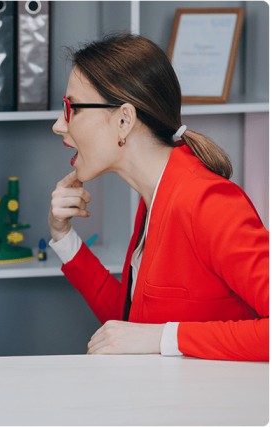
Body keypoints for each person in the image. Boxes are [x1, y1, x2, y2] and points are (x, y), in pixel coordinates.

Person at [48, 34, 268, 361]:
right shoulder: (153, 198)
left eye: (70, 109)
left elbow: (152, 335)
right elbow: (132, 327)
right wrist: (63, 236)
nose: (58, 126)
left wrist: (166, 336)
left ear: (124, 120)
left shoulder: (208, 202)